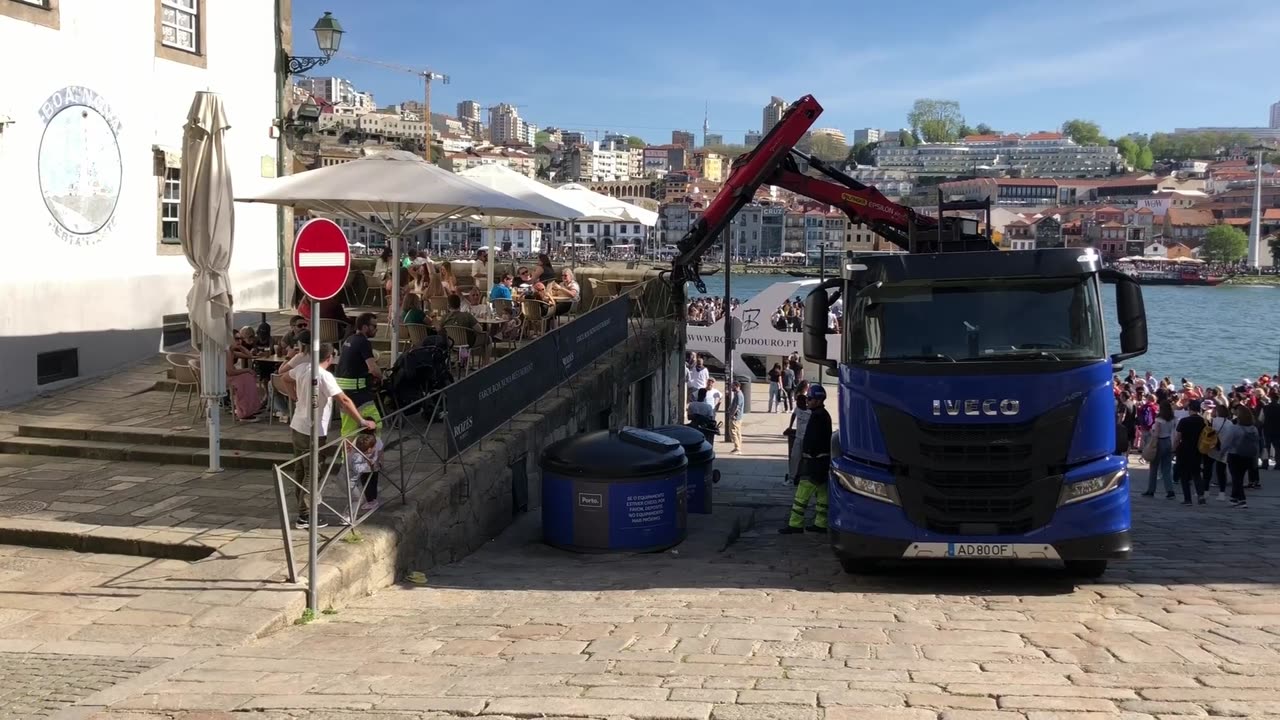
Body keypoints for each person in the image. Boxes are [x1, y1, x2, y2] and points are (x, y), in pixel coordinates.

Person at [285, 343, 377, 529]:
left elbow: (284, 377)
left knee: (300, 470)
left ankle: (303, 511)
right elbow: (343, 399)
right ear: (330, 357)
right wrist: (361, 421)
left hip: (297, 425)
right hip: (313, 430)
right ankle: (307, 515)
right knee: (312, 472)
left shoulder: (302, 368)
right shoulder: (324, 376)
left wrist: (294, 396)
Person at [780, 384, 832, 535]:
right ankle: (820, 524)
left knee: (801, 495)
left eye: (809, 399)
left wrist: (806, 457)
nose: (807, 401)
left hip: (814, 462)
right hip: (822, 462)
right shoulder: (823, 414)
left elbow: (813, 441)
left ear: (817, 400)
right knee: (822, 495)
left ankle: (795, 524)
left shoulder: (817, 416)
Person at [334, 313, 384, 438]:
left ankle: (348, 456)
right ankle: (371, 455)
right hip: (359, 393)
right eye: (374, 326)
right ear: (365, 327)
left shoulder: (349, 339)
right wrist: (382, 377)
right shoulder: (363, 342)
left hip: (343, 393)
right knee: (376, 425)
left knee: (348, 431)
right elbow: (373, 368)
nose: (376, 329)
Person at [1222, 404, 1263, 508]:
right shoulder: (1254, 429)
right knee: (1239, 477)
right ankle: (1233, 498)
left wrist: (1222, 452)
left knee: (1236, 478)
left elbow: (1227, 442)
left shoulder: (1234, 428)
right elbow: (1257, 443)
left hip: (1235, 455)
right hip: (1248, 456)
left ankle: (1242, 500)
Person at [1173, 399, 1207, 505]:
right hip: (1197, 449)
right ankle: (1201, 496)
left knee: (1184, 475)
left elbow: (1178, 437)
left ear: (1190, 409)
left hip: (1184, 449)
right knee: (1196, 474)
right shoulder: (1203, 421)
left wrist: (1174, 448)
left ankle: (1187, 499)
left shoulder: (1184, 421)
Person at [1142, 399, 1176, 498]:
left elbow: (1156, 434)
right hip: (1168, 441)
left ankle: (1151, 490)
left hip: (1159, 442)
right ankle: (1170, 491)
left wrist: (1151, 433)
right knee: (1166, 468)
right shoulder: (1173, 419)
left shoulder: (1159, 419)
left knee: (1154, 467)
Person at [346, 428, 383, 517]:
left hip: (368, 468)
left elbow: (352, 451)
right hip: (373, 467)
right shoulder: (377, 439)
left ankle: (371, 501)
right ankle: (373, 500)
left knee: (367, 484)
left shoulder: (358, 439)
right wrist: (381, 462)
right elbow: (381, 452)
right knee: (372, 483)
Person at [785, 380, 811, 484]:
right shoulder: (798, 409)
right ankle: (792, 477)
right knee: (795, 457)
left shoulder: (810, 411)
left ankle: (806, 478)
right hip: (798, 437)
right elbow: (793, 415)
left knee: (807, 459)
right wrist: (790, 426)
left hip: (807, 438)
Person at [726, 381, 745, 454]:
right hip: (738, 416)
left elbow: (737, 407)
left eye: (732, 386)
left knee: (733, 432)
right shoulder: (737, 394)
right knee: (737, 432)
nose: (731, 387)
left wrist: (732, 414)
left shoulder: (738, 395)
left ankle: (737, 448)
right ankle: (738, 447)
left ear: (736, 386)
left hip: (736, 417)